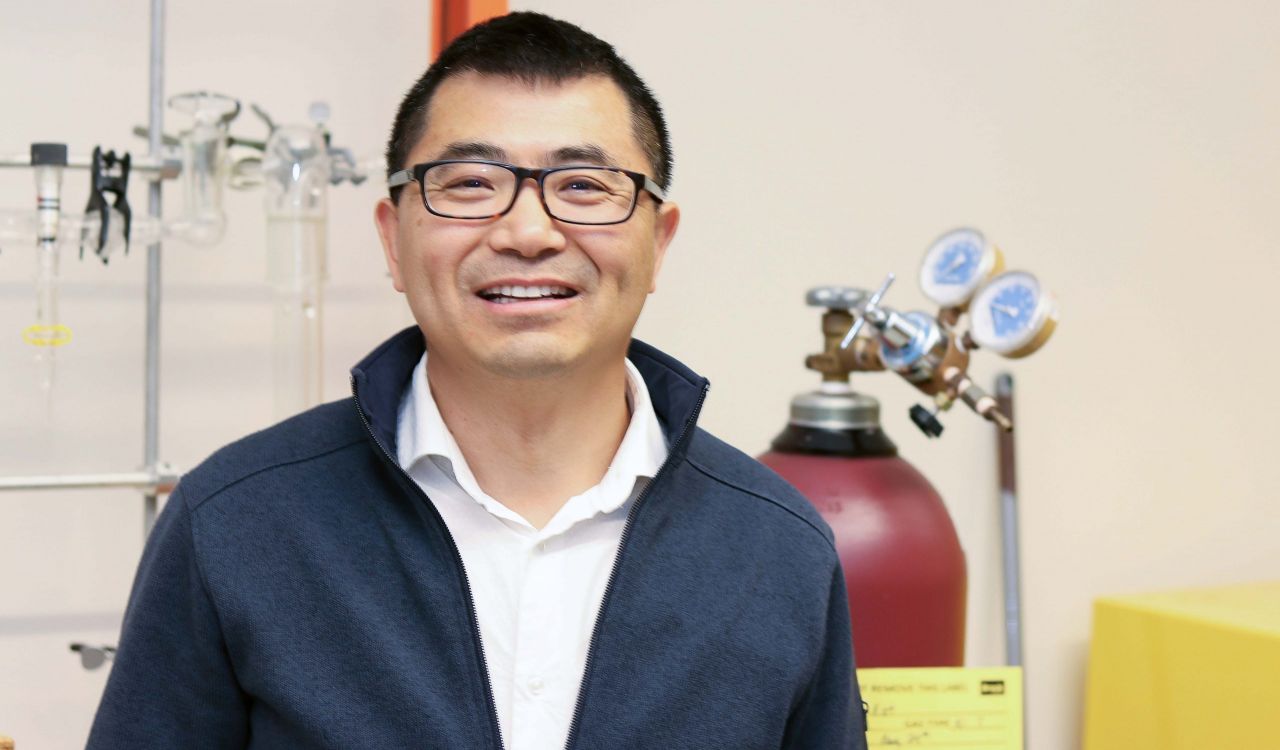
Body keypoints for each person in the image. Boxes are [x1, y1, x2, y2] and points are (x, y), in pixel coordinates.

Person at [88, 12, 866, 750]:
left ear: (658, 243)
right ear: (393, 240)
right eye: (467, 184)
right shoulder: (236, 523)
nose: (527, 232)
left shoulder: (776, 551)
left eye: (584, 188)